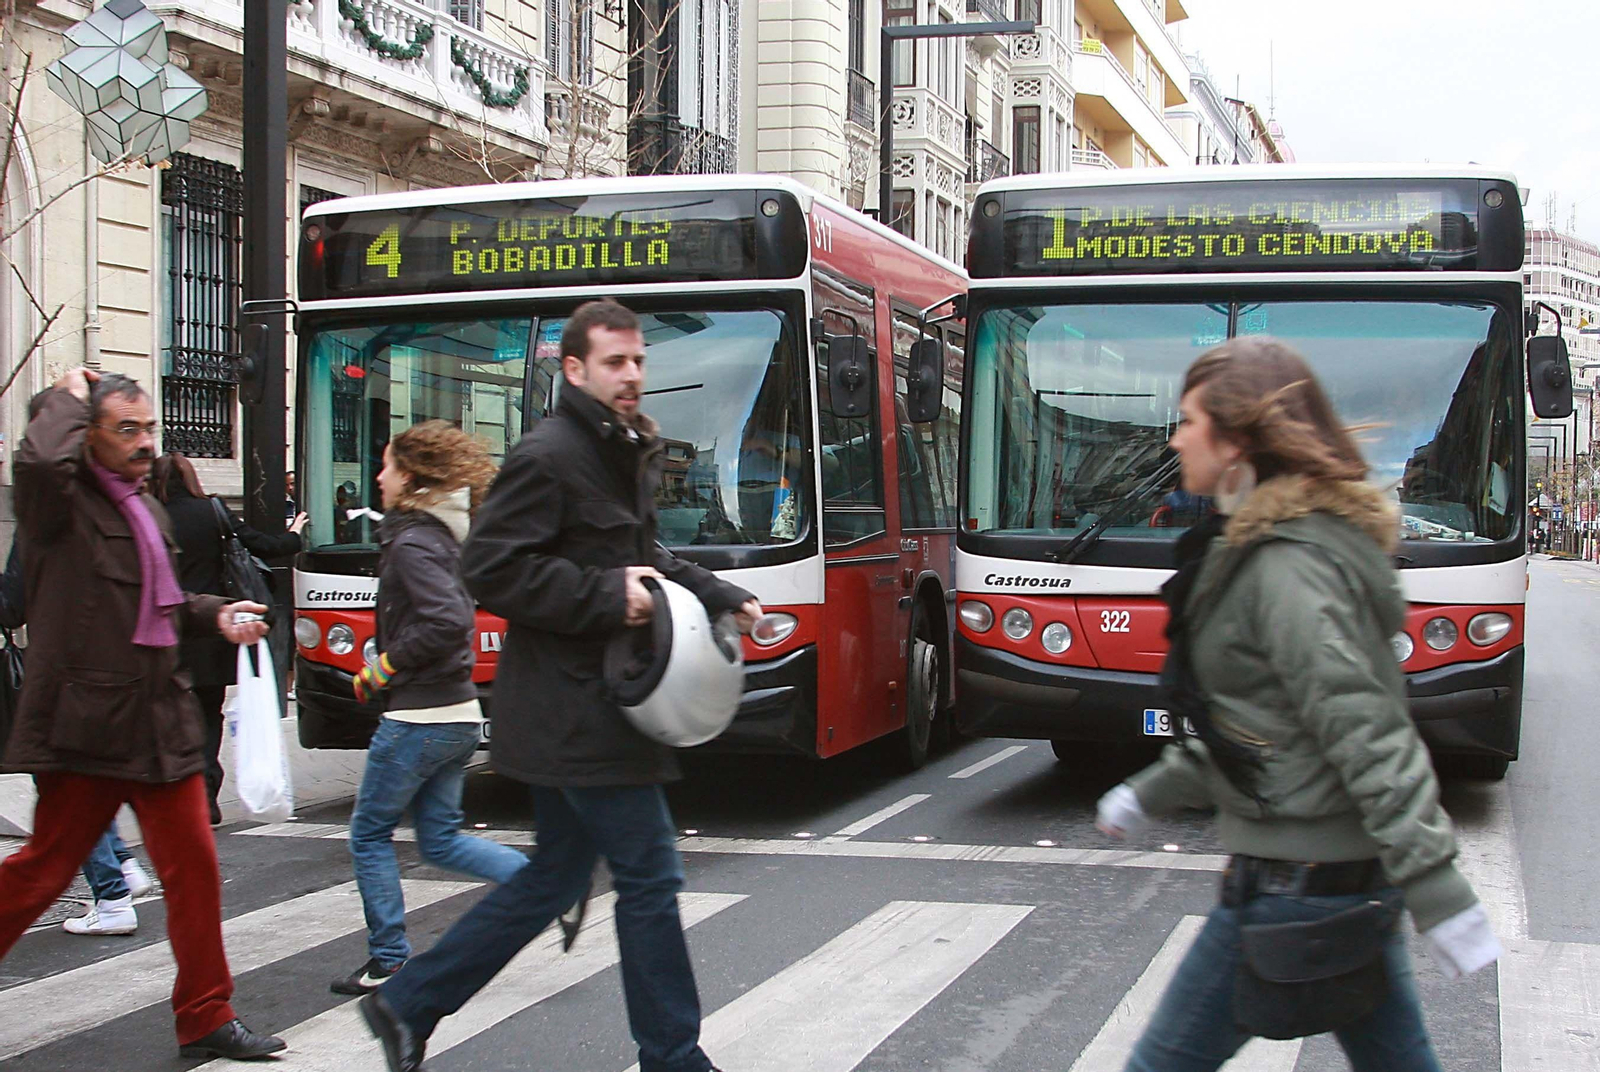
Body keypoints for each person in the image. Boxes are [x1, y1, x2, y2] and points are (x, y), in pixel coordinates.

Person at [359, 300, 762, 1072]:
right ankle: (673, 1058)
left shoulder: (620, 448)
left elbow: (647, 555)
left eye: (640, 360)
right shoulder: (549, 454)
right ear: (574, 369)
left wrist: (719, 594)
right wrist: (611, 598)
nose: (634, 375)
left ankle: (406, 1004)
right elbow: (493, 569)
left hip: (590, 701)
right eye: (617, 362)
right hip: (576, 709)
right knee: (651, 877)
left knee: (556, 876)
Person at [1096, 337, 1499, 1072]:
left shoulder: (1285, 565)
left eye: (1189, 419)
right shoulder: (1254, 546)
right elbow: (1258, 723)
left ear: (1238, 439)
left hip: (1292, 894)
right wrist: (1148, 790)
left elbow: (1366, 728)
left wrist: (1439, 889)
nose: (1175, 436)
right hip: (1332, 884)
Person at [0, 368, 285, 1061]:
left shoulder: (145, 507)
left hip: (159, 721)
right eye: (125, 429)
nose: (144, 443)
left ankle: (206, 1015)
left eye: (149, 427)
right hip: (90, 725)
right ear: (86, 435)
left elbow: (162, 603)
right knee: (42, 870)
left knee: (193, 871)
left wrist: (220, 613)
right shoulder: (57, 507)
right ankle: (206, 1014)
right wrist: (67, 394)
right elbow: (36, 458)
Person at [333, 420, 531, 995]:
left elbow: (447, 621)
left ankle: (389, 958)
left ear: (411, 477)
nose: (379, 476)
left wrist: (384, 666)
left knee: (369, 835)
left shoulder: (414, 542)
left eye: (388, 466)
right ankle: (538, 887)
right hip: (458, 715)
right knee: (440, 838)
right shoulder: (443, 536)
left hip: (418, 718)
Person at [0, 493, 153, 937]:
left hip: (62, 677)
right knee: (80, 781)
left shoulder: (43, 520)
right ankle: (121, 868)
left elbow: (11, 605)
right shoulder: (122, 511)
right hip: (115, 675)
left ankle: (112, 892)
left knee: (63, 787)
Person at [151, 453, 307, 827]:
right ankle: (206, 795)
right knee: (208, 714)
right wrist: (293, 534)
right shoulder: (213, 511)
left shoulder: (148, 516)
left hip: (164, 630)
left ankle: (175, 792)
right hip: (211, 628)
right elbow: (262, 545)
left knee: (165, 714)